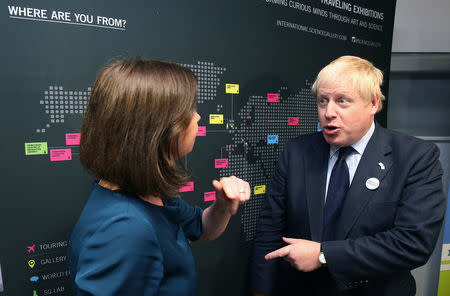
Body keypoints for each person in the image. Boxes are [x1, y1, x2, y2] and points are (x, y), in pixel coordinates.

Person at [251, 56, 446, 296]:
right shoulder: (297, 153)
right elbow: (269, 231)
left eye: (342, 101)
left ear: (373, 104)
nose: (328, 112)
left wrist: (324, 255)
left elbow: (413, 244)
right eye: (323, 101)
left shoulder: (415, 157)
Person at [68, 59, 251, 295]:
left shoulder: (147, 193)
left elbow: (200, 226)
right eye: (190, 110)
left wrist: (223, 206)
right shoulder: (126, 230)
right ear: (158, 127)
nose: (198, 118)